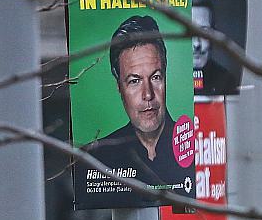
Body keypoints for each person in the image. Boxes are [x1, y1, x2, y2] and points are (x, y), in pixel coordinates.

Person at [79, 15, 193, 204]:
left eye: (155, 77)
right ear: (119, 87)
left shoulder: (194, 149)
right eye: (134, 81)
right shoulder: (95, 159)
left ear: (165, 77)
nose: (147, 94)